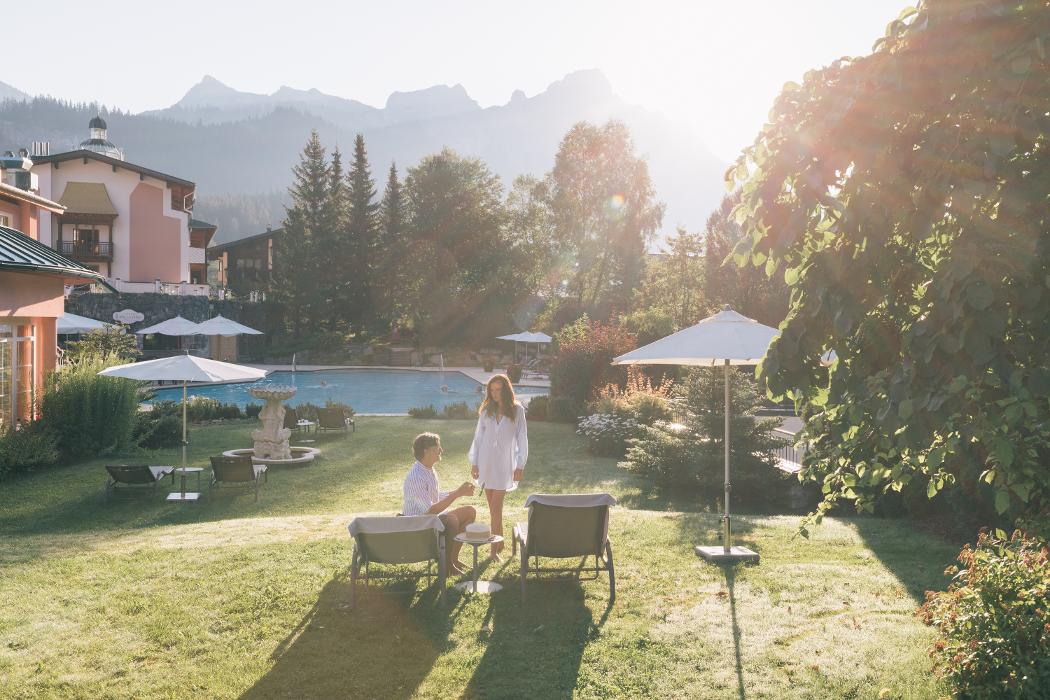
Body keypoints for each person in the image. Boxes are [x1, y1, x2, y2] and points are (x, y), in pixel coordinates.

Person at [468, 374, 528, 561]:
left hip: (504, 466)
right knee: (494, 510)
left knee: (495, 509)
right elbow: (478, 438)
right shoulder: (486, 410)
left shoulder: (517, 410)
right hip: (485, 463)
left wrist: (520, 465)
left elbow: (522, 438)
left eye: (498, 389)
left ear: (506, 389)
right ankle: (499, 543)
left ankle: (493, 551)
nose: (495, 394)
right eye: (492, 390)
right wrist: (474, 462)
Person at [403, 432, 476, 575]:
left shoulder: (428, 470)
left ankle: (453, 559)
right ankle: (447, 565)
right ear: (427, 451)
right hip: (419, 526)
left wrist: (459, 492)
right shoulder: (416, 476)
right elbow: (430, 510)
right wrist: (457, 493)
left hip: (428, 520)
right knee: (451, 520)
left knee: (470, 511)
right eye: (438, 447)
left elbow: (435, 497)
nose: (441, 450)